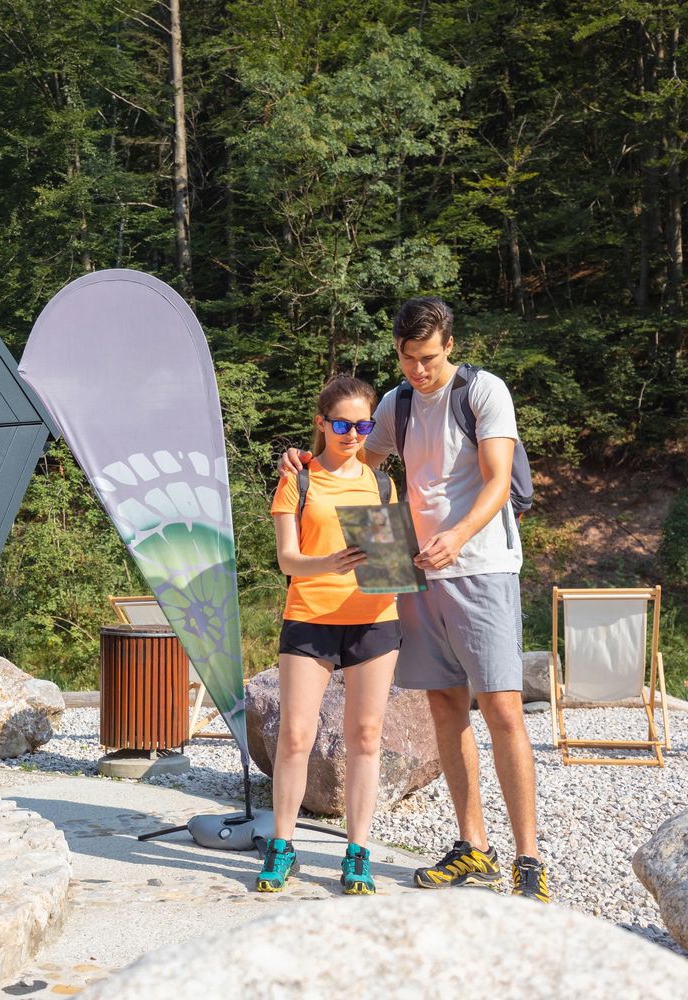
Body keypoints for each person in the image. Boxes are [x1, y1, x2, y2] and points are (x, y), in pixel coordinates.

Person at [280, 298, 549, 903]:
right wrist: (302, 460)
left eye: (427, 358)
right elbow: (356, 466)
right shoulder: (397, 404)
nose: (418, 370)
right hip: (418, 575)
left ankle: (528, 858)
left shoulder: (484, 393)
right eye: (406, 358)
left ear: (449, 345)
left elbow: (498, 480)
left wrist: (457, 536)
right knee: (446, 709)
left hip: (481, 567)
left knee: (503, 711)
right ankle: (473, 845)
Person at [258, 375, 402, 896]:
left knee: (366, 737)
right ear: (321, 423)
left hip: (374, 618)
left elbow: (389, 562)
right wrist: (330, 562)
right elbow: (286, 559)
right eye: (342, 424)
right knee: (296, 735)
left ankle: (357, 851)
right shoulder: (300, 479)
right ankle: (282, 846)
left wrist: (401, 564)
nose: (354, 434)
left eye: (363, 425)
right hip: (311, 615)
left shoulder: (383, 484)